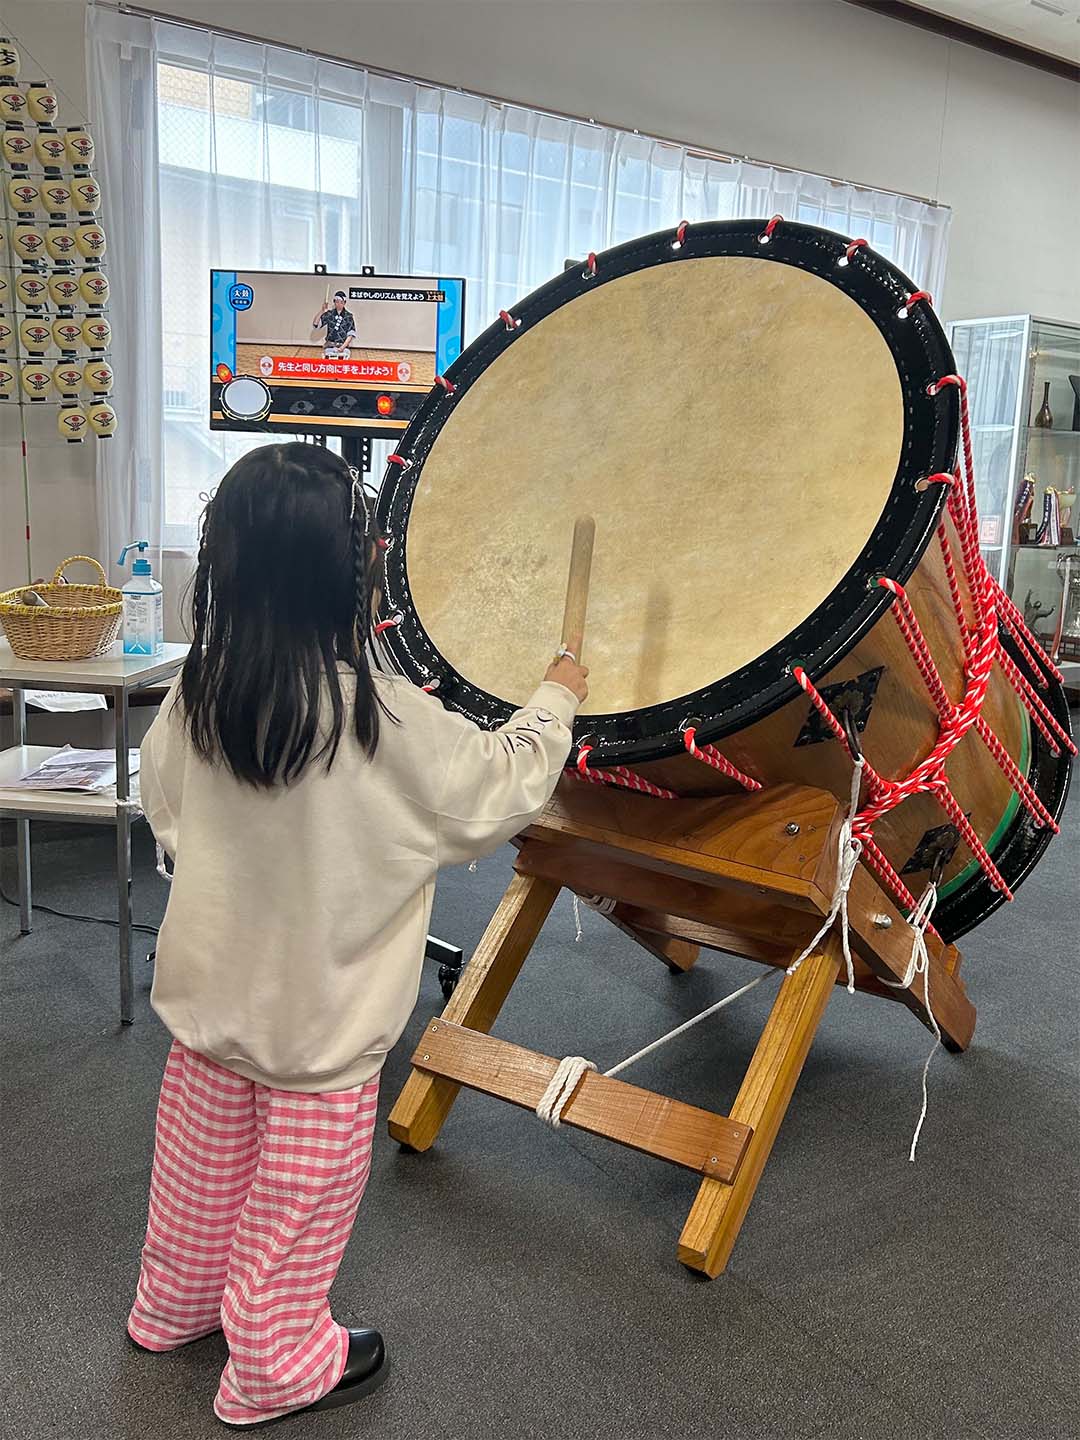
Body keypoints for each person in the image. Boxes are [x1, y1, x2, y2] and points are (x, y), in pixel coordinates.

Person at [126, 443, 588, 1427]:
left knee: (197, 1167)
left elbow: (163, 809)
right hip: (324, 1025)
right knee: (298, 1204)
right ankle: (279, 1366)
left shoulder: (197, 690)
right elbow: (496, 789)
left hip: (209, 1004)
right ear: (351, 570)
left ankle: (171, 1307)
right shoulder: (380, 716)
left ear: (227, 564)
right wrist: (557, 695)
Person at [311, 290, 357, 354]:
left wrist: (342, 347)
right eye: (337, 302)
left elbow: (351, 334)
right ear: (334, 302)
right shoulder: (330, 314)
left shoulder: (349, 316)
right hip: (330, 346)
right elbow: (315, 324)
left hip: (343, 347)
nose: (339, 304)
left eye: (341, 302)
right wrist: (322, 311)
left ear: (345, 303)